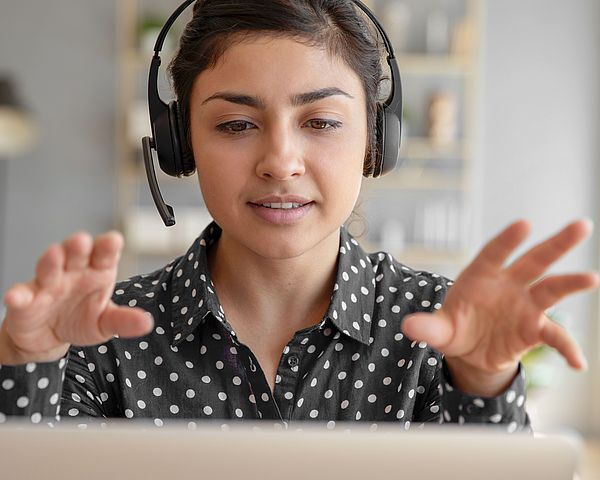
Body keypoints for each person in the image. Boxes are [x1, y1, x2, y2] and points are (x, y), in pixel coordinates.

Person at [0, 0, 597, 430]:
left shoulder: (440, 330)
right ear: (181, 145)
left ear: (374, 142)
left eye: (320, 122)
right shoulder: (100, 336)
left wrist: (484, 383)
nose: (281, 162)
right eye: (236, 124)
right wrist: (26, 367)